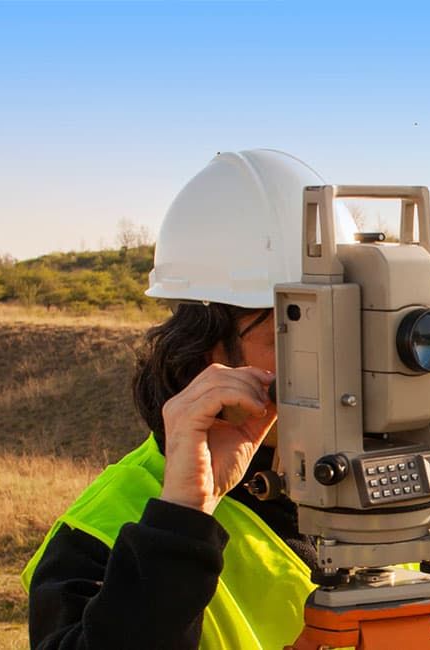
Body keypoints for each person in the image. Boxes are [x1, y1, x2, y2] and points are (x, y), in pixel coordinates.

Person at [21, 150, 358, 650]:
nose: (338, 363)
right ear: (211, 356)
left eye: (350, 329)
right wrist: (184, 515)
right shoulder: (102, 532)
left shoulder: (371, 500)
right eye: (302, 331)